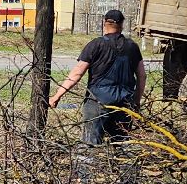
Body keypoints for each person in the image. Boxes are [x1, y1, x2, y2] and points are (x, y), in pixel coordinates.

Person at [48, 9, 147, 145]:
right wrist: (135, 102)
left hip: (98, 102)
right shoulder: (132, 47)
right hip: (125, 103)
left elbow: (77, 73)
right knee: (121, 146)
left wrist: (57, 96)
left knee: (90, 144)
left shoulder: (96, 44)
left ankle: (90, 164)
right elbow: (142, 76)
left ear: (104, 23)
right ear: (122, 24)